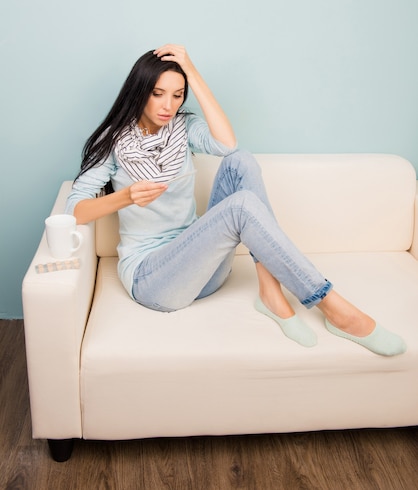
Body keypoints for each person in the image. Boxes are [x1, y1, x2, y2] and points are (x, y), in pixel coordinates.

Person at [66, 44, 406, 356]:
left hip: (205, 270)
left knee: (239, 160)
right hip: (155, 281)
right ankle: (332, 306)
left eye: (178, 95)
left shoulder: (183, 128)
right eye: (158, 94)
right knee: (240, 206)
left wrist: (192, 70)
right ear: (140, 91)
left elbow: (227, 145)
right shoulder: (115, 141)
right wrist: (124, 197)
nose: (168, 105)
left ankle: (270, 293)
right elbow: (76, 211)